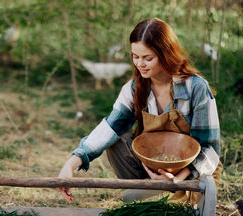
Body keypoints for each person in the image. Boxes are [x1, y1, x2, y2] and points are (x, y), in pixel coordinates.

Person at [58, 18, 222, 204]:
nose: (140, 64)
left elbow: (210, 149)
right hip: (152, 170)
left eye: (148, 58)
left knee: (130, 197)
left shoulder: (196, 88)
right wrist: (72, 163)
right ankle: (148, 194)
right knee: (117, 139)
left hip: (190, 176)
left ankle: (162, 199)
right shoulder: (135, 88)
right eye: (135, 56)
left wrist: (177, 179)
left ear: (166, 54)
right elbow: (110, 127)